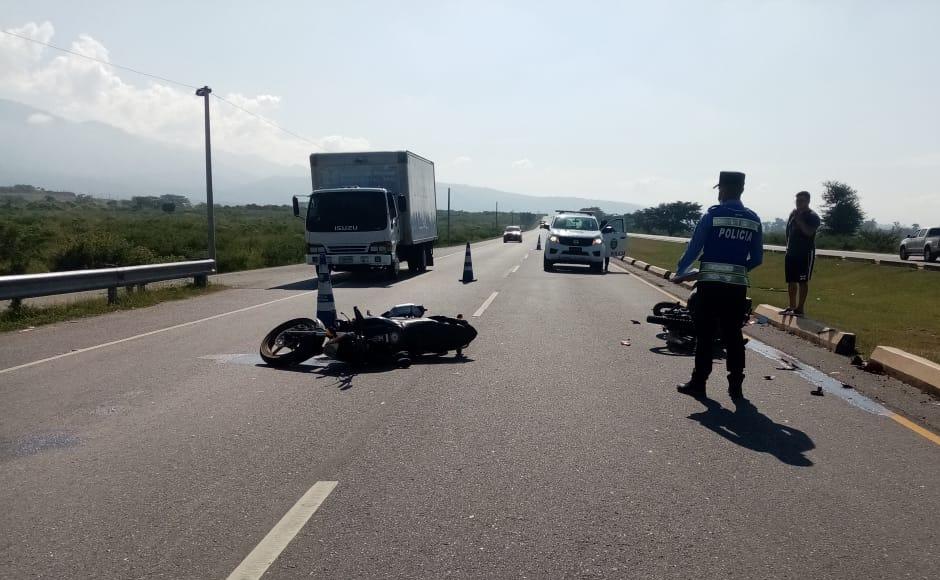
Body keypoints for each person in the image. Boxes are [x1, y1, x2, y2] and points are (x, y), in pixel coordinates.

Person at [673, 171, 763, 399]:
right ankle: (736, 385)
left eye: (720, 189)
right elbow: (758, 258)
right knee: (733, 334)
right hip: (736, 288)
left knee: (705, 334)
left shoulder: (713, 215)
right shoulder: (753, 219)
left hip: (710, 286)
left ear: (723, 189)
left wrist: (681, 271)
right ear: (741, 190)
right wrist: (738, 270)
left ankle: (699, 382)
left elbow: (694, 248)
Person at [781, 191, 821, 317]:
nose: (799, 203)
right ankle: (792, 306)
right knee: (791, 281)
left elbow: (809, 232)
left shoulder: (812, 216)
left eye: (802, 201)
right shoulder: (793, 214)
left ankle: (800, 308)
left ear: (808, 201)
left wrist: (799, 220)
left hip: (805, 253)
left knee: (802, 281)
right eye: (797, 201)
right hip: (791, 252)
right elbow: (788, 231)